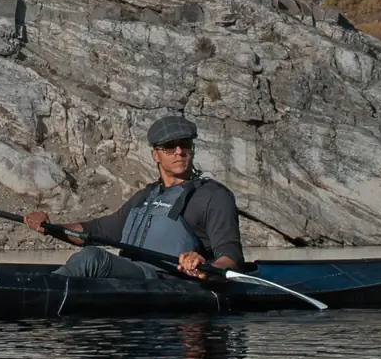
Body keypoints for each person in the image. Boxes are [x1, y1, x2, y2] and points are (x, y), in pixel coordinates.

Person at [22, 115, 244, 282]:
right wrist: (49, 227)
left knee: (92, 258)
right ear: (155, 155)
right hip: (133, 275)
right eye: (169, 147)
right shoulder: (146, 196)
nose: (179, 152)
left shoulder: (213, 196)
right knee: (89, 256)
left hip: (170, 282)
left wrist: (202, 266)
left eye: (185, 145)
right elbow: (98, 230)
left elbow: (230, 255)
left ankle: (41, 294)